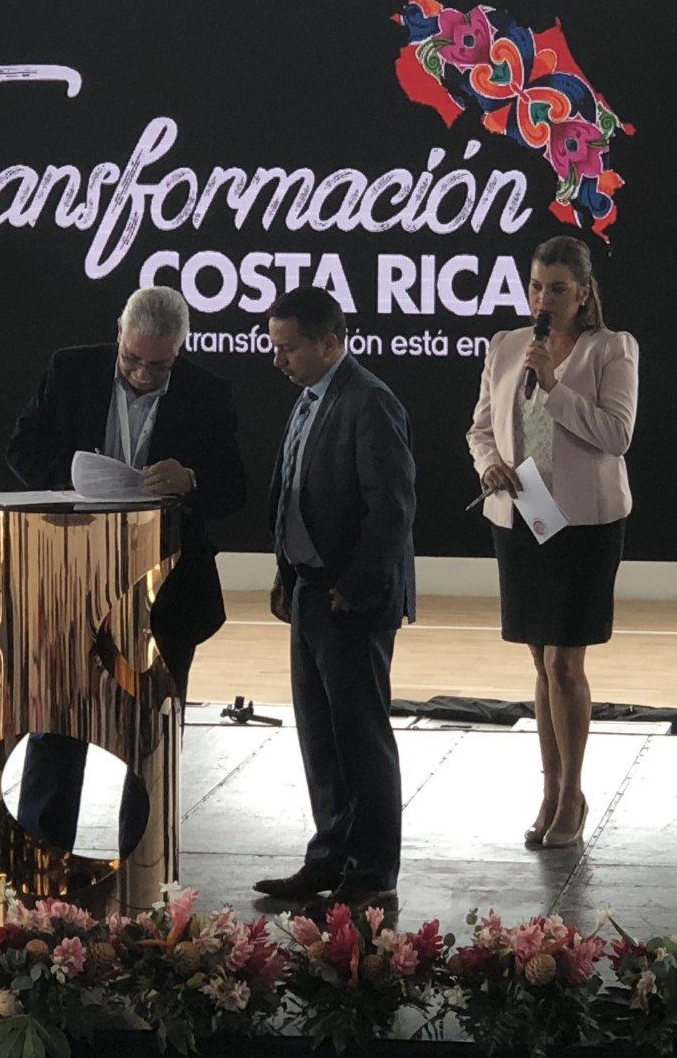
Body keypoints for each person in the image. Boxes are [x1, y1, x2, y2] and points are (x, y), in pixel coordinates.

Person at [6, 285, 247, 855]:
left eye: (158, 364)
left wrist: (191, 480)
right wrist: (70, 483)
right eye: (132, 358)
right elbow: (22, 448)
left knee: (152, 737)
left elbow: (234, 487)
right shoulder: (70, 370)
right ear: (118, 333)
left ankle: (144, 864)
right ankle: (43, 860)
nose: (141, 373)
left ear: (180, 351)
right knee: (58, 718)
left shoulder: (207, 393)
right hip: (76, 577)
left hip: (169, 591)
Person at [466, 235, 638, 850]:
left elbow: (616, 434)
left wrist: (554, 388)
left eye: (558, 289)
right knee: (540, 662)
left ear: (584, 293)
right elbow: (482, 427)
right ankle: (550, 785)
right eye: (537, 286)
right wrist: (488, 465)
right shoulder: (507, 345)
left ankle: (573, 795)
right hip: (520, 517)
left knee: (567, 662)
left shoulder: (611, 349)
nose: (544, 299)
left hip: (584, 524)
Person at [251, 285, 416, 914]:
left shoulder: (370, 402)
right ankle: (328, 859)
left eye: (288, 348)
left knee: (360, 737)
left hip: (351, 599)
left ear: (329, 342)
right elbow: (294, 491)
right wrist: (287, 573)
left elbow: (392, 507)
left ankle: (372, 870)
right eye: (274, 346)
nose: (277, 361)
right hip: (311, 591)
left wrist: (355, 585)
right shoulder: (310, 399)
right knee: (320, 736)